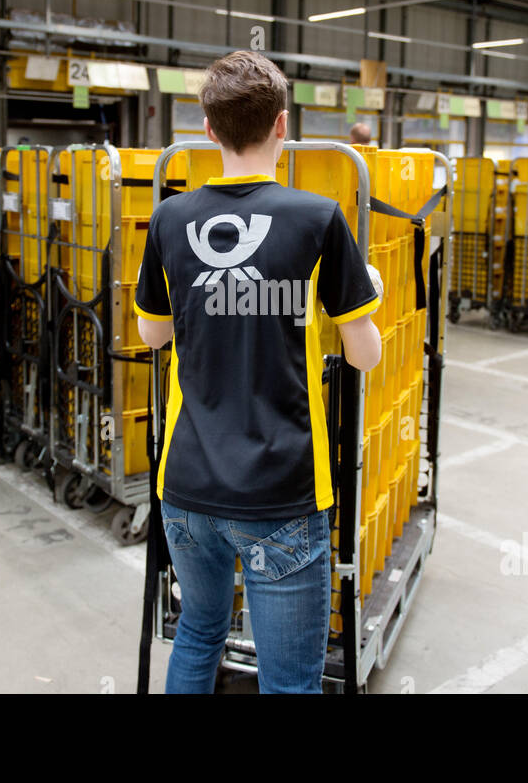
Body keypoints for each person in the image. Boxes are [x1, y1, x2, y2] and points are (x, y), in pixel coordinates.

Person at [135, 50, 383, 694]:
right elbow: (365, 355)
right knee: (288, 681)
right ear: (281, 125)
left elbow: (153, 333)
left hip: (185, 485)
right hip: (282, 494)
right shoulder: (317, 218)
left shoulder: (168, 218)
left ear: (209, 130)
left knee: (197, 633)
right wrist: (356, 295)